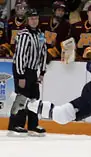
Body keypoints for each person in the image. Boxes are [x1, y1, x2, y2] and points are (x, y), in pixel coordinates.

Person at [8, 8, 47, 137]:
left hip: (34, 70)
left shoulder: (40, 35)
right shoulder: (23, 34)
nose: (34, 21)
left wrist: (42, 72)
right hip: (23, 69)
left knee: (34, 97)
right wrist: (21, 75)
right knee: (22, 96)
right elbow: (20, 56)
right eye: (31, 18)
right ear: (27, 20)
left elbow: (43, 53)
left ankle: (33, 124)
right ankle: (15, 124)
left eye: (36, 18)